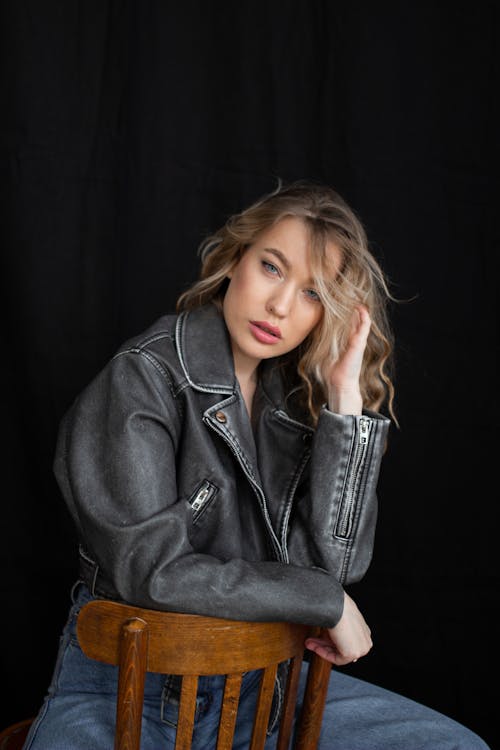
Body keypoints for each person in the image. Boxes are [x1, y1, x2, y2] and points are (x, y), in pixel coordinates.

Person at [23, 180, 489, 749]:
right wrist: (326, 603)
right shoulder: (142, 378)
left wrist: (344, 408)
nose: (281, 307)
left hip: (262, 691)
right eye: (272, 267)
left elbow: (334, 564)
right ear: (233, 258)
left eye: (314, 294)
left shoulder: (293, 402)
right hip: (132, 694)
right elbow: (153, 573)